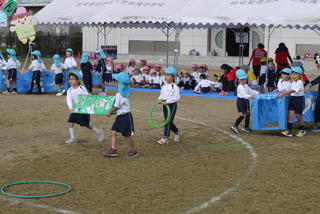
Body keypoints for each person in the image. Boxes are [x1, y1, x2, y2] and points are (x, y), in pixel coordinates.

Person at [104, 72, 138, 158]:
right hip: (120, 117)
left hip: (124, 117)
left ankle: (133, 149)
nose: (114, 83)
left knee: (126, 135)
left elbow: (116, 106)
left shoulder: (120, 94)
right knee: (113, 132)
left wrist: (109, 112)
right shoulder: (122, 93)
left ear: (120, 84)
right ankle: (113, 149)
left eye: (115, 81)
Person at [65, 70, 104, 144]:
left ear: (77, 80)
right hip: (74, 110)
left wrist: (88, 96)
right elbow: (69, 100)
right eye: (70, 79)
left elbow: (86, 98)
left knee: (87, 125)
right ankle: (73, 138)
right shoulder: (69, 90)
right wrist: (71, 108)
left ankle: (98, 132)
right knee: (70, 123)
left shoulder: (82, 89)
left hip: (83, 110)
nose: (71, 81)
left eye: (73, 79)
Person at [277, 67, 306, 137]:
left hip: (299, 100)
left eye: (296, 74)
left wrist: (282, 94)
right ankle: (289, 131)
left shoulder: (299, 82)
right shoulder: (293, 82)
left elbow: (292, 90)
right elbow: (289, 90)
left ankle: (301, 130)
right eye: (292, 73)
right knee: (290, 116)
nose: (293, 75)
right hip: (292, 99)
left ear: (299, 75)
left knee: (299, 116)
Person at [157, 67, 182, 145]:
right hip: (165, 105)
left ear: (173, 77)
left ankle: (165, 137)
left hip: (171, 105)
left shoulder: (174, 87)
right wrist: (159, 99)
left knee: (167, 121)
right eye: (165, 75)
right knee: (167, 121)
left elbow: (177, 98)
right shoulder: (164, 85)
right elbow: (162, 94)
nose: (166, 77)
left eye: (168, 75)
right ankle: (177, 132)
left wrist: (167, 101)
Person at [231, 69, 259, 134]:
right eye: (242, 79)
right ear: (238, 80)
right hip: (241, 101)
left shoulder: (246, 85)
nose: (244, 81)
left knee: (248, 114)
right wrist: (250, 96)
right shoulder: (239, 87)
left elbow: (251, 91)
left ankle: (246, 127)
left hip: (246, 101)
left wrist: (257, 93)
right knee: (242, 116)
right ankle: (234, 126)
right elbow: (243, 95)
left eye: (244, 79)